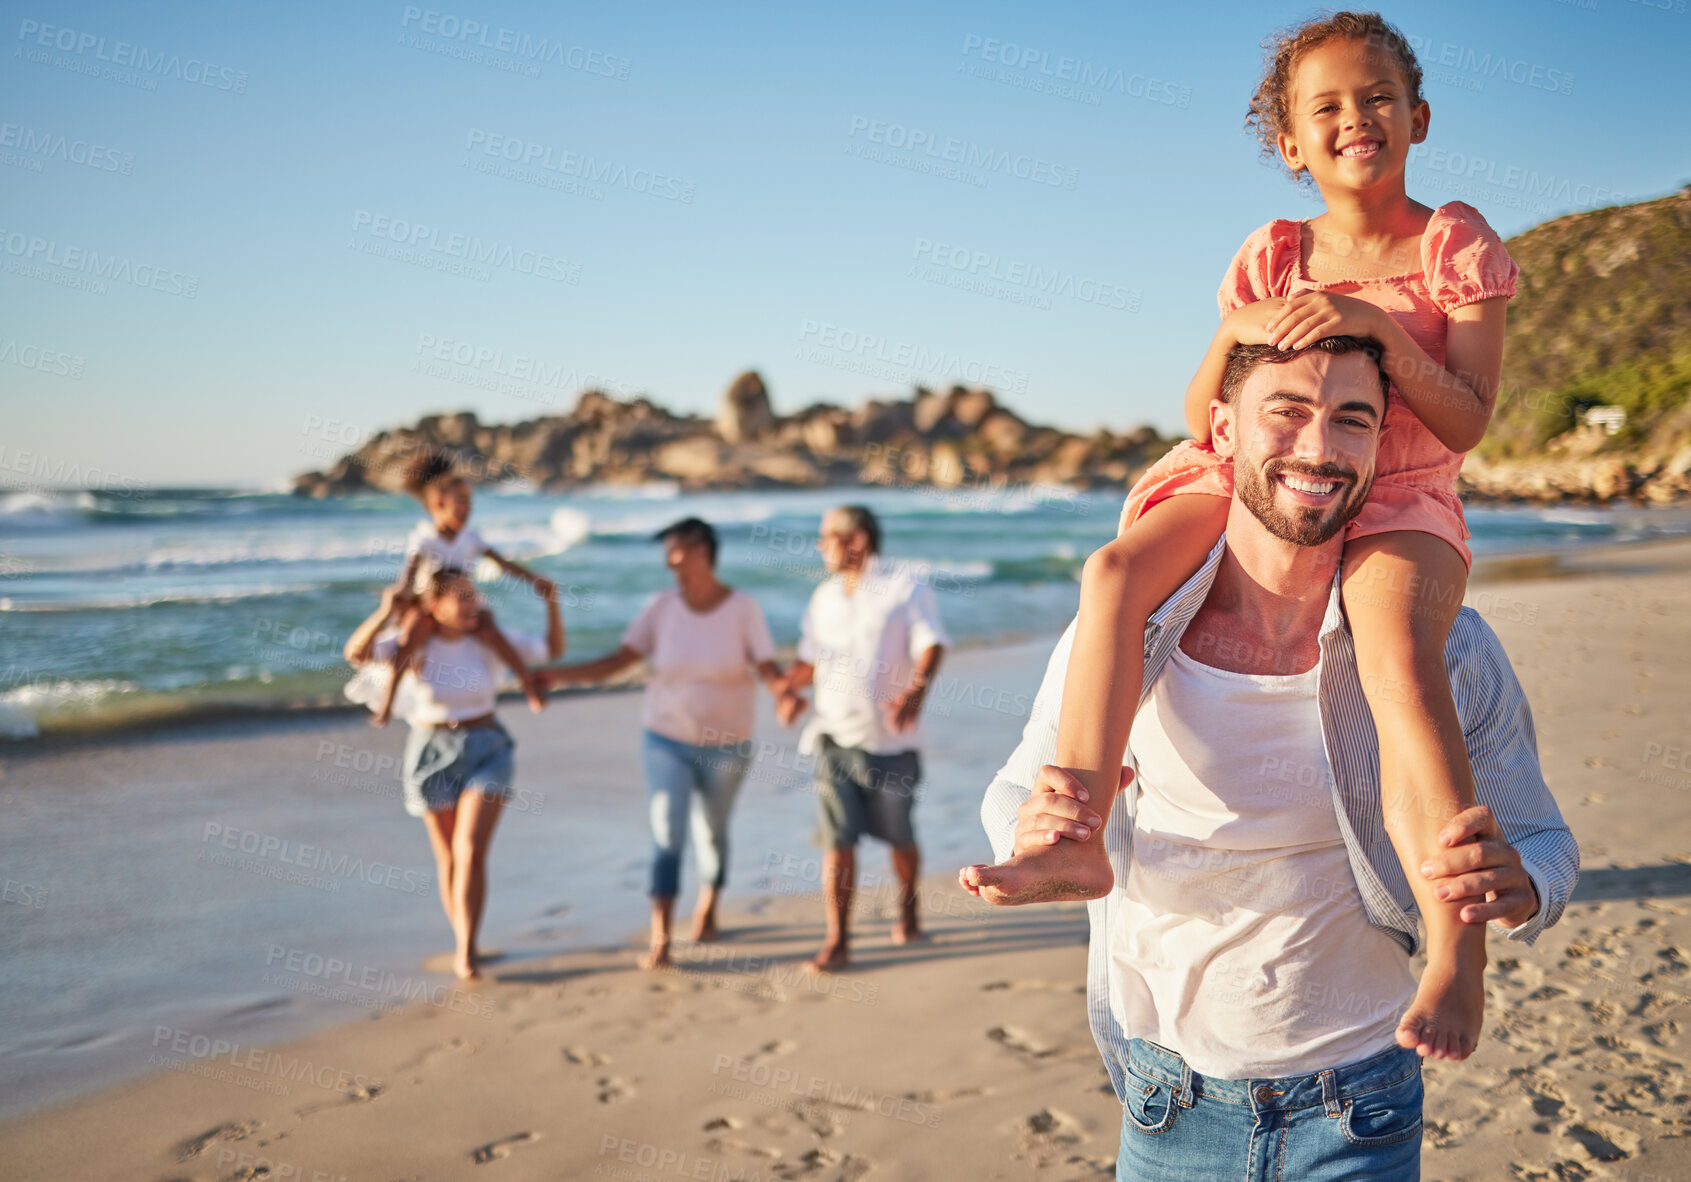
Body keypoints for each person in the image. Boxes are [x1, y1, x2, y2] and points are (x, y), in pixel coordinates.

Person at [999, 11, 1519, 1062]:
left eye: (1375, 98)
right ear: (1288, 143)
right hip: (1262, 467)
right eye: (1322, 107)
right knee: (1112, 572)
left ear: (1416, 117)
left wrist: (1375, 332)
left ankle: (1453, 947)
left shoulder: (1449, 243)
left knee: (1396, 663)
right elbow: (1206, 415)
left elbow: (1464, 419)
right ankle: (1075, 831)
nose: (1353, 118)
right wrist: (1235, 333)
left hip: (1398, 488)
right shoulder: (1271, 254)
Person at [961, 335, 1577, 1179]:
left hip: (1360, 1100)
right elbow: (1014, 787)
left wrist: (1523, 884)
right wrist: (1030, 829)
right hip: (1169, 1100)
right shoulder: (1125, 638)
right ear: (1221, 429)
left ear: (1378, 445)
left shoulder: (1442, 646)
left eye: (1350, 421)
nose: (1319, 448)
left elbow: (1543, 836)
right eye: (1284, 413)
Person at [542, 518, 787, 970]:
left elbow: (767, 666)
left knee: (712, 831)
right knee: (667, 831)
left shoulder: (743, 608)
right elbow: (619, 660)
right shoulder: (660, 608)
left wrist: (785, 694)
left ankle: (708, 907)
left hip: (728, 742)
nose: (667, 560)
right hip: (665, 738)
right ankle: (661, 936)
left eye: (673, 549)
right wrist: (559, 675)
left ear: (699, 551)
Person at [344, 563, 565, 980]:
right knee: (447, 859)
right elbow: (355, 653)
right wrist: (385, 612)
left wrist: (551, 602)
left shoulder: (488, 640)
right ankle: (466, 937)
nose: (474, 603)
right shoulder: (414, 642)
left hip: (489, 747)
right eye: (462, 596)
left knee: (469, 849)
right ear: (434, 605)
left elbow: (551, 649)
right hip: (430, 751)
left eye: (475, 594)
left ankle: (466, 949)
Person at [778, 506, 949, 973]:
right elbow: (812, 659)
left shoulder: (904, 585)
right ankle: (838, 939)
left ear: (857, 540)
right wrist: (790, 689)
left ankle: (908, 912)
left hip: (892, 741)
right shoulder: (823, 597)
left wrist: (916, 691)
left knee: (900, 838)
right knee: (838, 841)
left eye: (826, 536)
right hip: (832, 737)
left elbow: (931, 642)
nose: (819, 546)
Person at [372, 450, 555, 726]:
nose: (466, 509)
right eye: (460, 502)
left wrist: (533, 580)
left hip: (465, 603)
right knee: (411, 635)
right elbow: (408, 578)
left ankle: (527, 684)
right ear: (438, 504)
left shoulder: (470, 538)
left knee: (491, 629)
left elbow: (502, 563)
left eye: (469, 502)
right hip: (429, 606)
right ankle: (387, 703)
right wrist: (400, 601)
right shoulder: (425, 539)